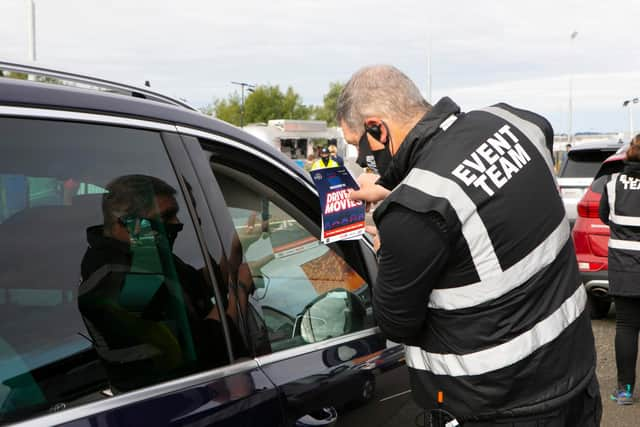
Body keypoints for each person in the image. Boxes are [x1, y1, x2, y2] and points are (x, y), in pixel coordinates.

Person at [337, 65, 601, 425]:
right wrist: (397, 193)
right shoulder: (515, 122)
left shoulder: (412, 215)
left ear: (376, 128)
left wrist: (389, 236)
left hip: (498, 407)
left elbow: (395, 322)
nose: (359, 159)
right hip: (576, 379)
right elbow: (477, 195)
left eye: (358, 146)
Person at [78, 174, 247, 392]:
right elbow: (205, 346)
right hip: (176, 402)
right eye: (166, 217)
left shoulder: (144, 253)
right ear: (129, 225)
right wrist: (239, 292)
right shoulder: (112, 279)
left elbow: (195, 285)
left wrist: (234, 257)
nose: (178, 224)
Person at [599, 134, 640, 406]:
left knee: (626, 326)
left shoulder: (612, 184)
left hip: (624, 267)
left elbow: (605, 216)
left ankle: (625, 391)